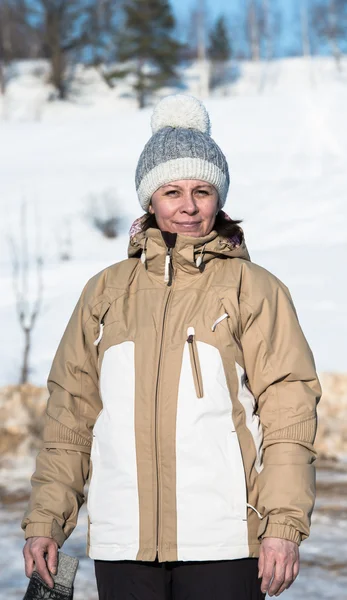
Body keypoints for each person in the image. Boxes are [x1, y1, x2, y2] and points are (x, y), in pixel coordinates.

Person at [22, 94, 321, 600]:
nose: (188, 205)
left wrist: (282, 526)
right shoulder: (105, 292)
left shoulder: (254, 289)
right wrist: (47, 519)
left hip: (223, 542)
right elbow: (70, 414)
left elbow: (289, 411)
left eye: (202, 190)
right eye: (172, 190)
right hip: (123, 545)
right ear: (150, 199)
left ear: (218, 198)